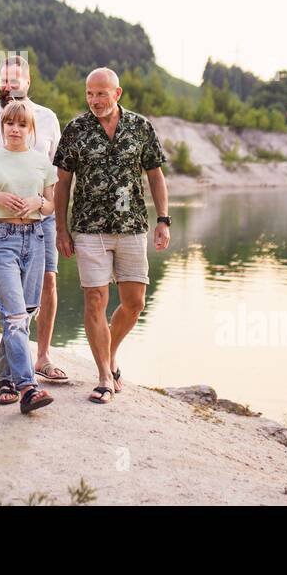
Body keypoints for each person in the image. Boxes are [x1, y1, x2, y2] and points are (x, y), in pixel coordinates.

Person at [53, 68, 170, 405]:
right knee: (95, 300)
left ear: (117, 93)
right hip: (89, 230)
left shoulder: (140, 127)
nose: (94, 100)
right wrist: (62, 229)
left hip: (133, 226)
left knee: (135, 303)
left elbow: (155, 175)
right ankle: (104, 375)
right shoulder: (76, 129)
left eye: (101, 93)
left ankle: (110, 353)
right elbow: (62, 183)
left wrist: (163, 220)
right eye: (90, 94)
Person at [0, 55, 68, 383]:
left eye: (16, 80)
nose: (9, 86)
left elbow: (57, 173)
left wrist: (49, 208)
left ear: (28, 82)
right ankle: (11, 375)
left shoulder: (47, 118)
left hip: (43, 219)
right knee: (9, 294)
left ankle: (42, 356)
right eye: (4, 80)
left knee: (44, 285)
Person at [0, 101, 57, 414]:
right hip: (1, 239)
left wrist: (37, 202)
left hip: (34, 238)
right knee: (16, 316)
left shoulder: (42, 162)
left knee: (25, 313)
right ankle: (27, 387)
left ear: (30, 129)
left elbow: (51, 205)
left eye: (22, 125)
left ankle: (4, 379)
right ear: (2, 127)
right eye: (10, 124)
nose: (15, 129)